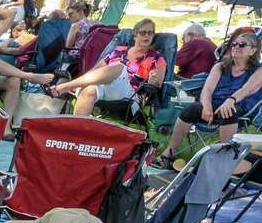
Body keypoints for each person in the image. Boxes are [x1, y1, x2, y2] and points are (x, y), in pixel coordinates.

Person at [158, 31, 262, 166]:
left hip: (240, 105)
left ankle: (224, 160)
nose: (236, 47)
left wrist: (230, 101)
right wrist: (206, 106)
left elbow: (246, 89)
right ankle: (168, 153)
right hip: (214, 104)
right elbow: (207, 90)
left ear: (253, 50)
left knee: (229, 111)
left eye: (241, 45)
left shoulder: (258, 70)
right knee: (191, 110)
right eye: (234, 44)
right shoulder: (220, 66)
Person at [51, 18, 166, 116]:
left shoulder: (156, 59)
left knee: (119, 67)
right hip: (108, 88)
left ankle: (65, 87)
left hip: (131, 95)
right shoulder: (118, 51)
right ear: (135, 35)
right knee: (89, 90)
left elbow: (156, 85)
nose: (146, 35)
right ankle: (75, 133)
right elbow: (95, 71)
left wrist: (153, 80)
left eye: (150, 33)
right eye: (143, 32)